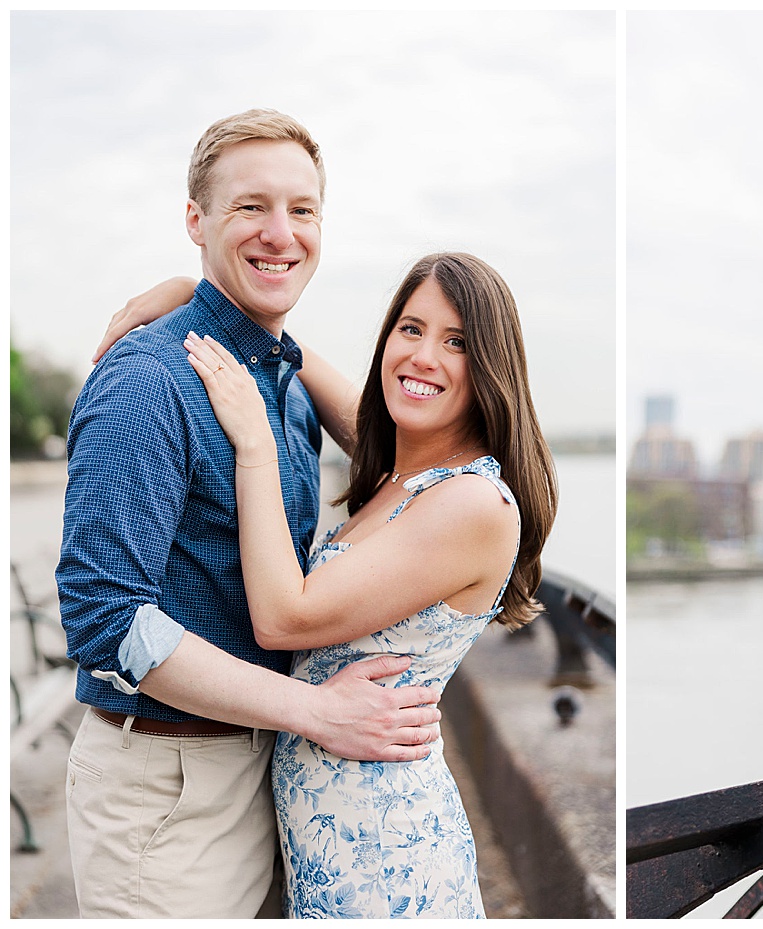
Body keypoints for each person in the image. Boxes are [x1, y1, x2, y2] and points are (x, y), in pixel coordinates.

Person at [58, 109, 443, 919]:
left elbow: (411, 459)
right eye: (250, 208)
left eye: (302, 210)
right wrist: (318, 711)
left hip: (264, 779)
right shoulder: (147, 383)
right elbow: (103, 619)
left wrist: (207, 294)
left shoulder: (273, 382)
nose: (281, 232)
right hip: (167, 798)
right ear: (195, 221)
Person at [111, 252, 557, 918]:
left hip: (384, 858)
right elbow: (319, 372)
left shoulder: (470, 503)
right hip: (328, 841)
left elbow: (284, 618)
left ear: (491, 366)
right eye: (410, 328)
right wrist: (199, 299)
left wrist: (256, 444)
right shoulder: (399, 475)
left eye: (456, 341)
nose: (424, 355)